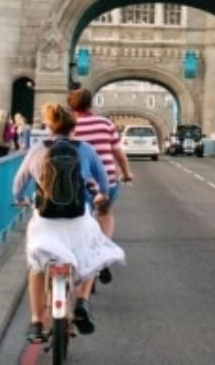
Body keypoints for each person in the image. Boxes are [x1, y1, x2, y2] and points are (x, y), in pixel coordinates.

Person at [13, 103, 124, 343]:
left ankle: (35, 322)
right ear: (74, 127)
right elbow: (104, 184)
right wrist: (100, 196)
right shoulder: (86, 149)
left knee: (37, 266)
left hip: (45, 220)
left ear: (50, 126)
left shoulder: (37, 149)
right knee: (91, 257)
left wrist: (20, 200)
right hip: (79, 218)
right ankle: (83, 300)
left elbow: (18, 185)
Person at [68, 88, 133, 285]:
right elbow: (118, 153)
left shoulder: (69, 125)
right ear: (91, 104)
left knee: (78, 218)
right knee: (105, 214)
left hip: (76, 182)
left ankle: (80, 258)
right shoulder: (105, 124)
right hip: (107, 181)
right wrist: (127, 173)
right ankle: (102, 254)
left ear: (71, 106)